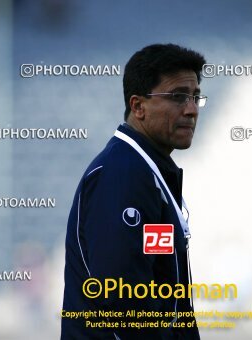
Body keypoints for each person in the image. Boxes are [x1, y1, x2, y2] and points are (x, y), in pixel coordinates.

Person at [61, 43, 207, 339]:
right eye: (178, 97)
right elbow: (122, 302)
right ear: (138, 106)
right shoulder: (124, 174)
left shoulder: (146, 171)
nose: (191, 110)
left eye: (194, 97)